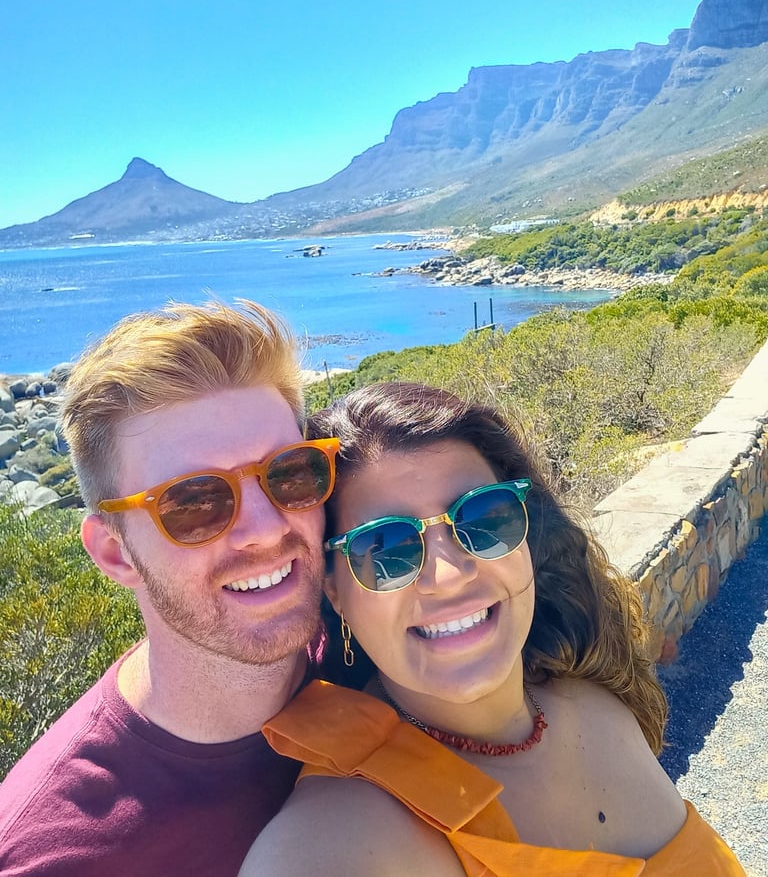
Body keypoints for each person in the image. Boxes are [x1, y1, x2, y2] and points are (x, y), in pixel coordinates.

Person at [240, 381, 745, 876]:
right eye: (388, 550)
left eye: (483, 518)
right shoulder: (336, 837)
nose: (450, 573)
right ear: (335, 594)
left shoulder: (600, 699)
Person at [0, 299, 340, 877]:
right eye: (194, 503)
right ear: (114, 552)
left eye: (288, 473)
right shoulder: (56, 853)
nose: (266, 528)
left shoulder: (389, 639)